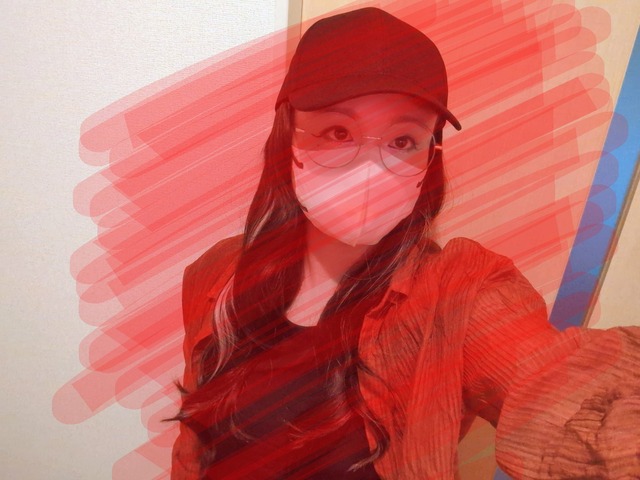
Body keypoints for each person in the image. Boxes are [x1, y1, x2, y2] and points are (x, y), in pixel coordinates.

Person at [171, 7, 640, 479]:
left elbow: (556, 387)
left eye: (402, 141)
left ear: (429, 159)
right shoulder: (217, 275)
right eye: (338, 132)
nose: (369, 170)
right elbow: (194, 447)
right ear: (287, 137)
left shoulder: (456, 296)